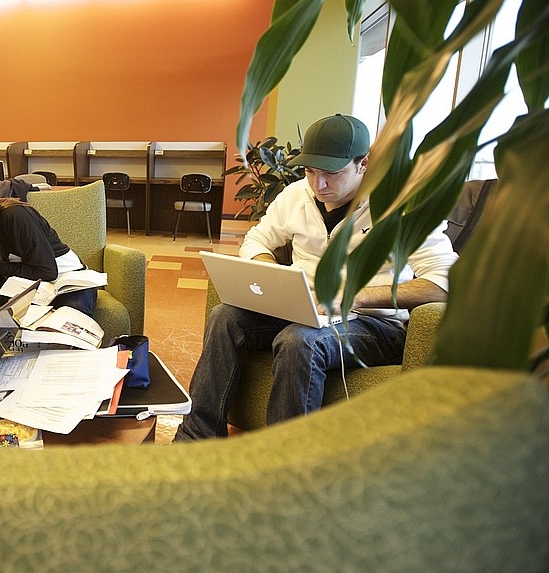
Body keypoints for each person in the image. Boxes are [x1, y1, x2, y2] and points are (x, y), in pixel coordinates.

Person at [175, 114, 457, 440]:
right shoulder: (297, 195)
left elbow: (445, 281)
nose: (317, 184)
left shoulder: (401, 206)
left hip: (373, 324)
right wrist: (274, 274)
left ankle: (285, 460)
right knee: (225, 317)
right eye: (310, 170)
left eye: (331, 173)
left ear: (363, 164)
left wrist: (356, 295)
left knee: (299, 341)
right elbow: (257, 240)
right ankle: (196, 438)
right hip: (304, 309)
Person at [0, 167, 97, 317]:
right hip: (30, 286)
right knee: (12, 323)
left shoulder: (13, 215)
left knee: (67, 318)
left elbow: (47, 272)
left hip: (68, 280)